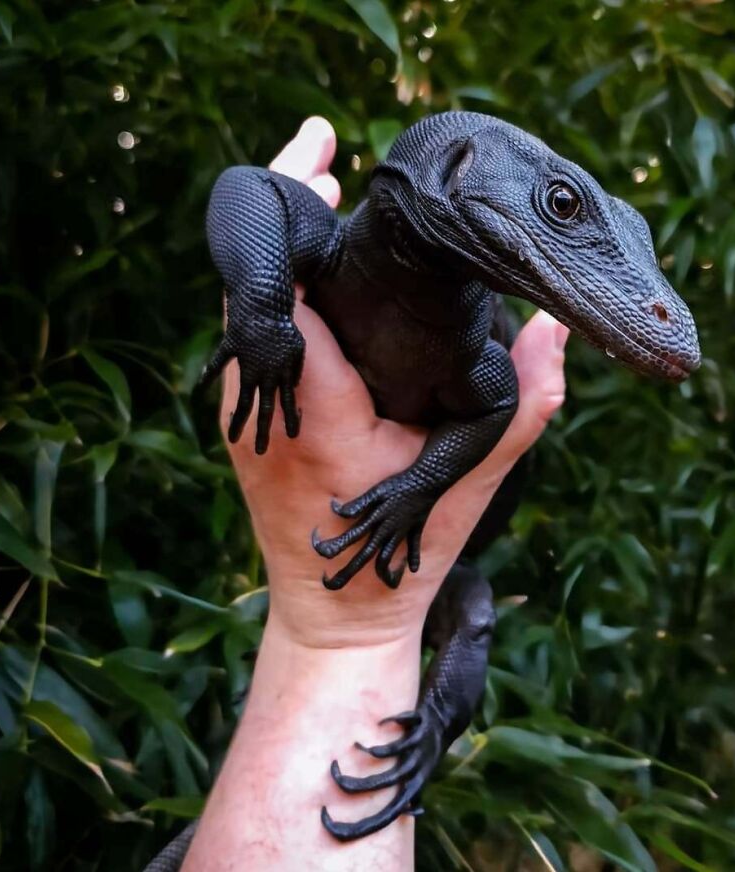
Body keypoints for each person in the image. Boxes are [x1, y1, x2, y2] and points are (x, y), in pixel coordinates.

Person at [180, 117, 570, 871]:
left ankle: (426, 742)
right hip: (398, 545)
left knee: (471, 610)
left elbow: (493, 401)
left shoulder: (468, 339)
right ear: (455, 165)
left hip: (427, 540)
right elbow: (247, 193)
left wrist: (417, 490)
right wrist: (261, 312)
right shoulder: (347, 252)